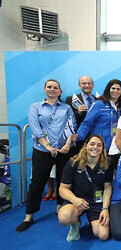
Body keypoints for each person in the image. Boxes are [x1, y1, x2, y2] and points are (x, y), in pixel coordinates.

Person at [16, 79, 76, 232]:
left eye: (55, 87)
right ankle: (29, 216)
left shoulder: (66, 108)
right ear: (44, 89)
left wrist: (67, 145)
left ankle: (59, 207)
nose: (52, 89)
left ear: (60, 91)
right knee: (37, 181)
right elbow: (35, 129)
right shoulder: (35, 107)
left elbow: (72, 126)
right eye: (49, 87)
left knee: (64, 180)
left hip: (63, 150)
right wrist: (48, 147)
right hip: (43, 150)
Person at [57, 135, 112, 241]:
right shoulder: (72, 164)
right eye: (92, 144)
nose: (95, 147)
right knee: (64, 217)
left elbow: (108, 187)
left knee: (103, 235)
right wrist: (74, 199)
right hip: (77, 200)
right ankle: (75, 224)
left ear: (102, 149)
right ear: (85, 146)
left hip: (96, 201)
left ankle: (91, 219)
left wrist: (105, 208)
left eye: (99, 145)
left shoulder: (106, 164)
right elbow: (62, 189)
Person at [77, 79, 121, 151]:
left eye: (118, 89)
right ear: (108, 89)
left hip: (115, 147)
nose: (115, 91)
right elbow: (87, 123)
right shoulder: (98, 104)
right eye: (113, 88)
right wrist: (78, 137)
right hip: (100, 147)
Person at [65, 75, 96, 157]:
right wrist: (78, 112)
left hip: (95, 138)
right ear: (79, 85)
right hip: (77, 139)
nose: (86, 85)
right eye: (84, 83)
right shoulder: (71, 100)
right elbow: (66, 119)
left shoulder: (98, 100)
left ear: (93, 85)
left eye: (89, 83)